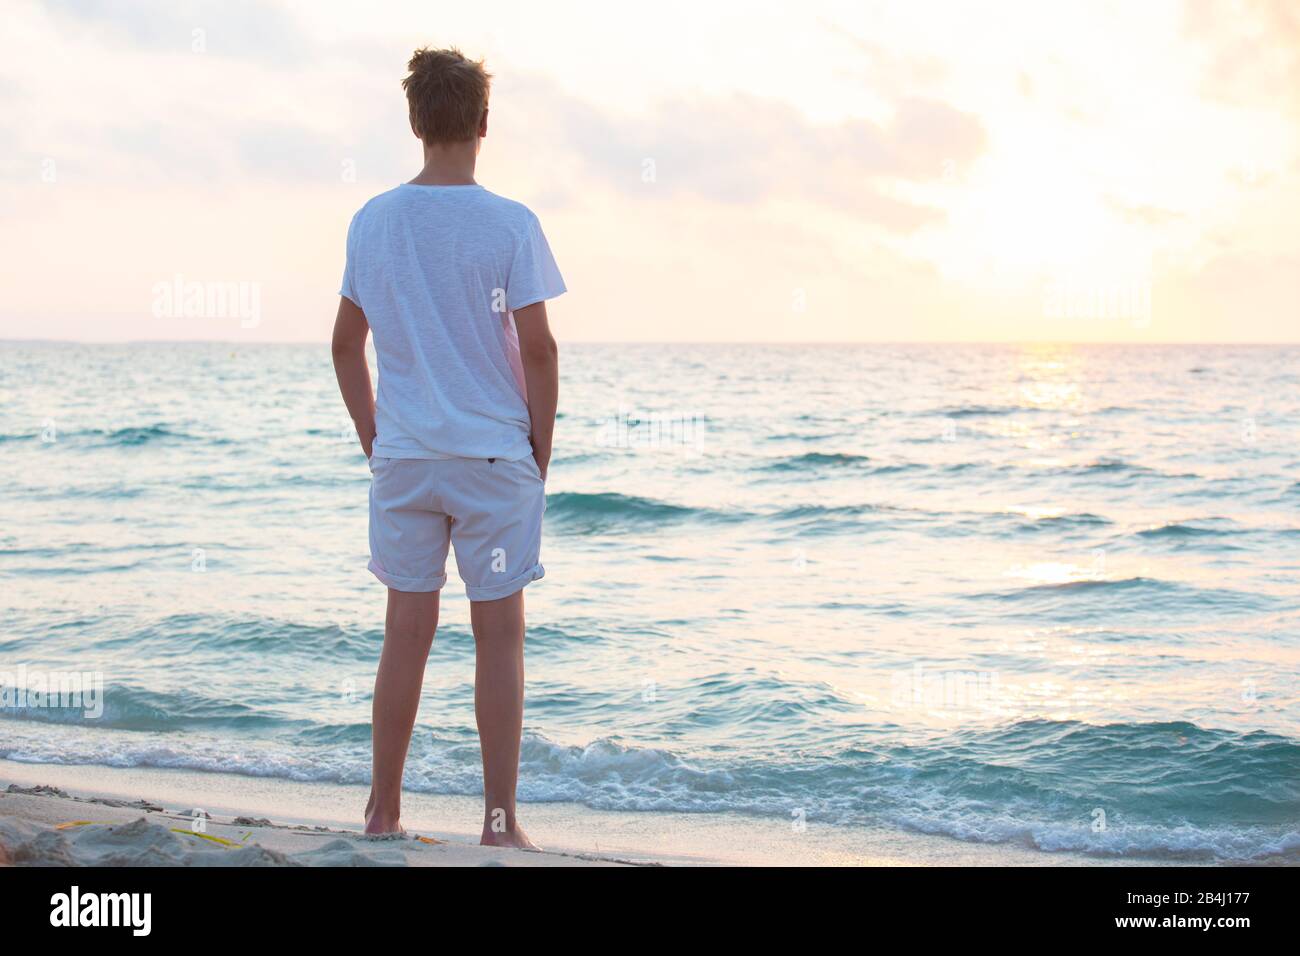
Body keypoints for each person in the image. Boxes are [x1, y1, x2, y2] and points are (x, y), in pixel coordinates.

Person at [331, 46, 564, 849]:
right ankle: (498, 823)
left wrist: (377, 441)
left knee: (406, 631)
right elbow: (539, 351)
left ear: (414, 122)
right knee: (498, 636)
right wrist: (539, 449)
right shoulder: (510, 223)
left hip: (406, 460)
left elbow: (343, 346)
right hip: (493, 458)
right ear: (483, 124)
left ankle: (382, 811)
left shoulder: (373, 221)